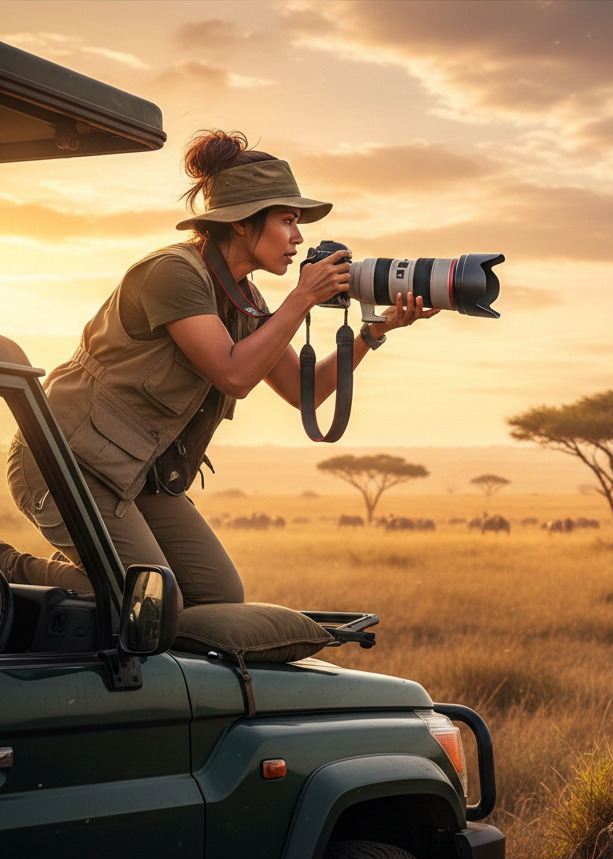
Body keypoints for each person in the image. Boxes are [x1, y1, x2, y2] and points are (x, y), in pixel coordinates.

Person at [3, 130, 438, 606]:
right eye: (288, 220)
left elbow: (301, 391)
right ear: (242, 224)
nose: (299, 238)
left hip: (136, 471)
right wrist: (302, 298)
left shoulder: (244, 299)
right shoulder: (173, 273)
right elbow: (233, 375)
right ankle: (8, 570)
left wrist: (375, 332)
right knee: (146, 599)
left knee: (216, 593)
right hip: (65, 460)